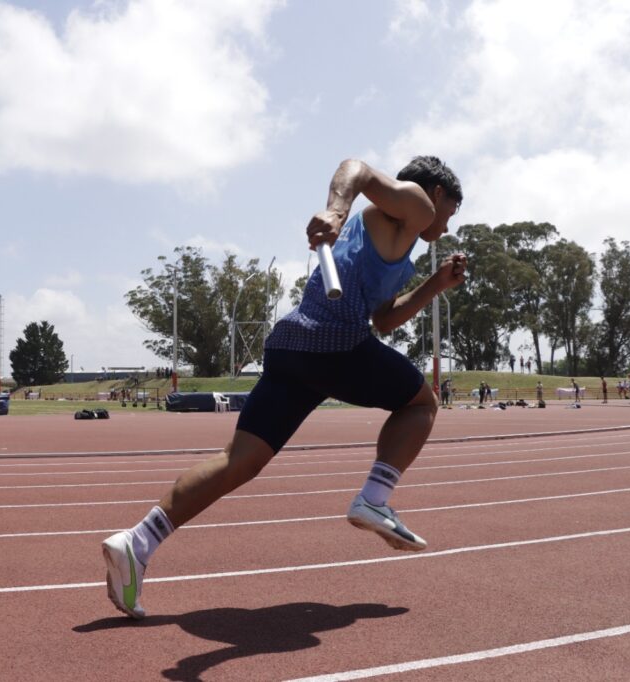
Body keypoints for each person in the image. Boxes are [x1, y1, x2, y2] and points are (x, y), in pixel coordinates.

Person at [101, 157, 467, 619]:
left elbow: (385, 319)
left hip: (294, 345)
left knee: (240, 461)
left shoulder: (400, 243)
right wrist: (335, 211)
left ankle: (136, 543)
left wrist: (436, 284)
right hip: (335, 343)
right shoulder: (415, 203)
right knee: (422, 404)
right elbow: (357, 169)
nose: (448, 223)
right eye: (451, 210)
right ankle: (374, 499)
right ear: (436, 194)